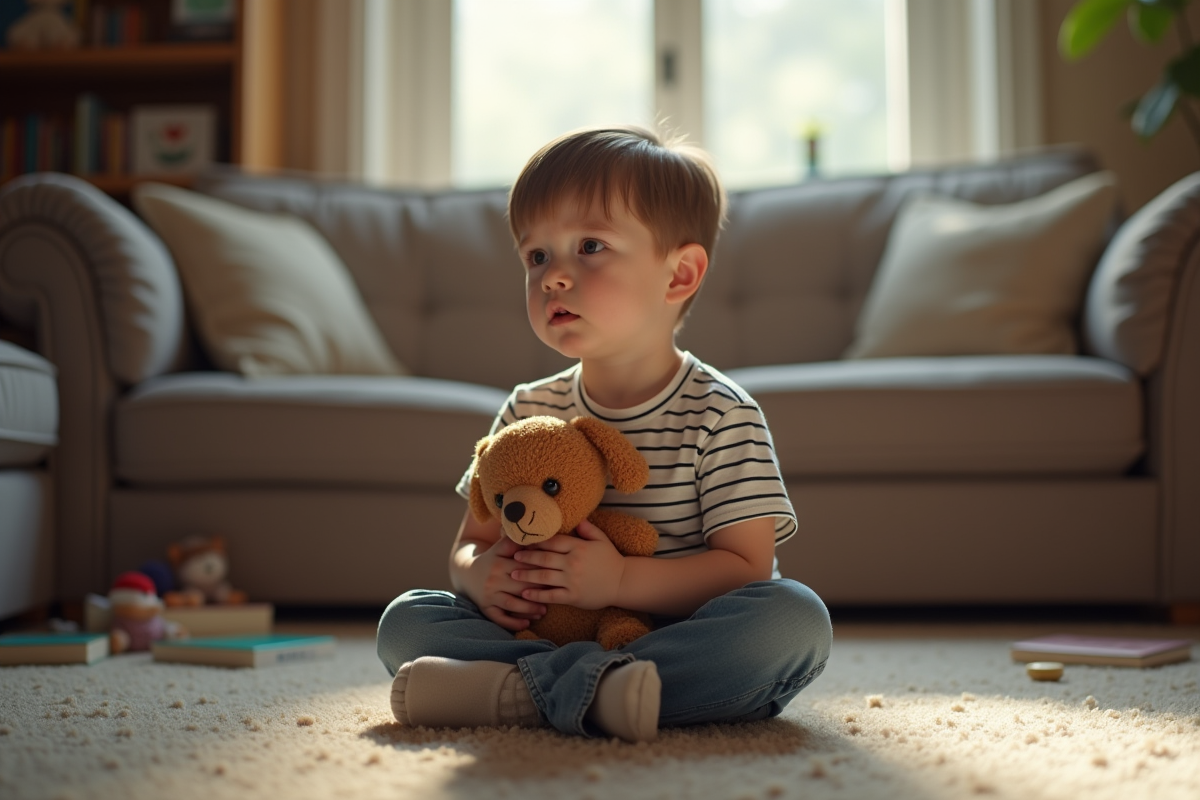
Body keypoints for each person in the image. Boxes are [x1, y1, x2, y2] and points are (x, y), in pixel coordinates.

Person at [376, 125, 832, 743]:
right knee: (406, 619)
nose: (552, 277)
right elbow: (470, 545)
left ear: (678, 274)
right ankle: (602, 695)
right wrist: (478, 576)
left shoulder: (722, 413)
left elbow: (747, 569)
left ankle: (515, 693)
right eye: (537, 256)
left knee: (793, 620)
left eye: (590, 246)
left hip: (670, 638)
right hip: (542, 631)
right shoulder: (528, 407)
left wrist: (619, 582)